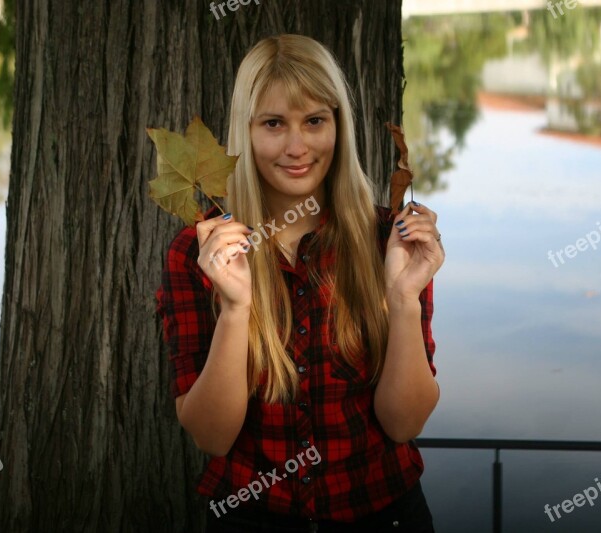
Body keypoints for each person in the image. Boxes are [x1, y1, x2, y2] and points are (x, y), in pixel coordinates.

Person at [156, 34, 444, 533]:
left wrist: (403, 300)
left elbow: (405, 423)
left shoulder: (389, 239)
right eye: (273, 124)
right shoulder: (199, 252)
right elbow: (211, 437)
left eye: (314, 121)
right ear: (244, 132)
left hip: (385, 515)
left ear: (338, 126)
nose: (297, 147)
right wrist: (235, 310)